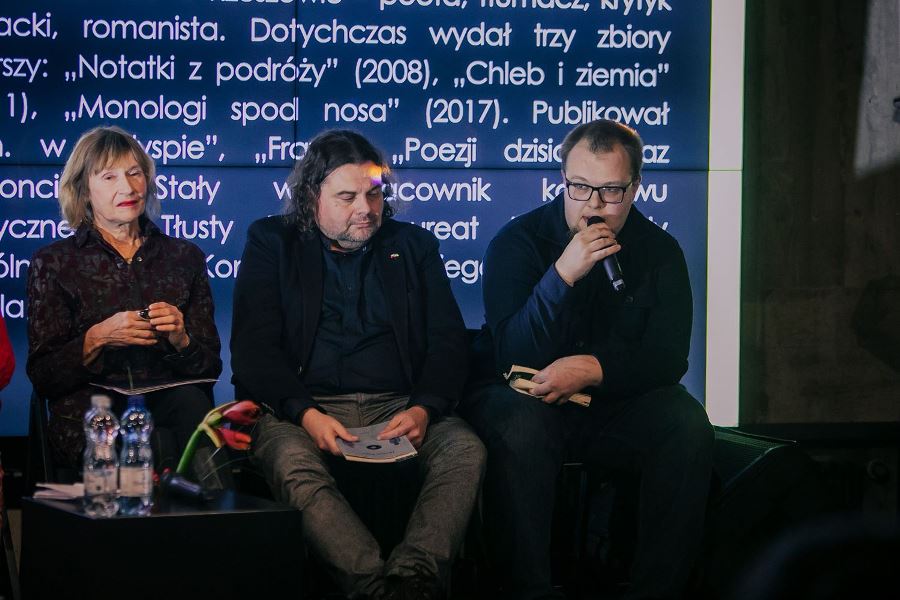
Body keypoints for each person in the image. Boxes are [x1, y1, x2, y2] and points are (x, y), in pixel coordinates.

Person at [462, 119, 714, 600]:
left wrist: (594, 369)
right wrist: (562, 275)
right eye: (579, 187)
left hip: (609, 402)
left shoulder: (659, 251)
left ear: (635, 188)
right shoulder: (517, 243)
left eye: (611, 191)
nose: (593, 204)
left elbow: (668, 357)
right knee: (520, 423)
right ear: (563, 180)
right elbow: (512, 352)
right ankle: (528, 591)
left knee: (685, 422)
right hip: (524, 398)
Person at [231, 129, 485, 600]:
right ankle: (373, 587)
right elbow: (253, 350)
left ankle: (414, 578)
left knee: (464, 450)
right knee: (291, 461)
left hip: (399, 407)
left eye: (373, 194)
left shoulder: (413, 245)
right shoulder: (272, 241)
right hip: (303, 407)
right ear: (312, 196)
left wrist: (424, 409)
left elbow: (449, 342)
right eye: (347, 197)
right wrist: (306, 414)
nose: (366, 209)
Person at [26, 126, 222, 477]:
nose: (128, 188)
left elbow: (209, 369)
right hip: (93, 406)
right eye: (109, 177)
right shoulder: (53, 262)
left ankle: (218, 511)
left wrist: (181, 339)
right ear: (84, 189)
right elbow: (43, 376)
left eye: (135, 173)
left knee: (192, 410)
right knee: (146, 441)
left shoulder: (184, 257)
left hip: (171, 400)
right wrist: (97, 338)